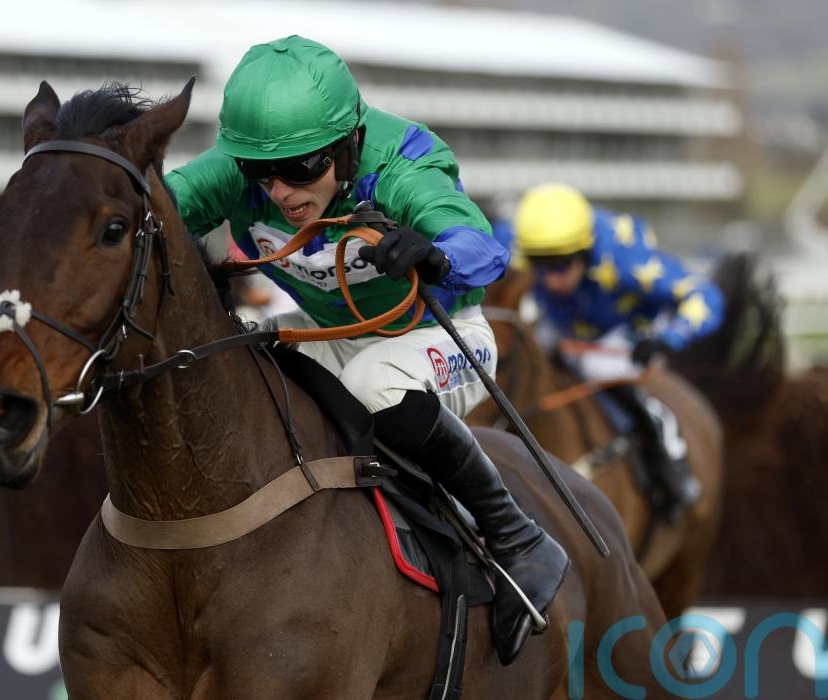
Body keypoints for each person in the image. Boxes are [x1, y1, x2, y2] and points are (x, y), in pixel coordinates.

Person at [165, 35, 566, 662]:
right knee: (230, 364)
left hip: (440, 336)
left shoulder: (402, 163)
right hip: (329, 335)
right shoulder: (241, 169)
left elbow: (483, 248)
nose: (281, 191)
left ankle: (519, 538)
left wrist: (436, 254)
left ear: (349, 143)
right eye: (262, 172)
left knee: (374, 382)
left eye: (303, 168)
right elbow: (150, 208)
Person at [514, 182, 725, 522]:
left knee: (596, 366)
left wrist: (669, 338)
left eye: (561, 266)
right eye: (540, 266)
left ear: (584, 252)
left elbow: (707, 296)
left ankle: (667, 450)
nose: (550, 280)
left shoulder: (625, 262)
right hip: (566, 323)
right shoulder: (523, 244)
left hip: (627, 328)